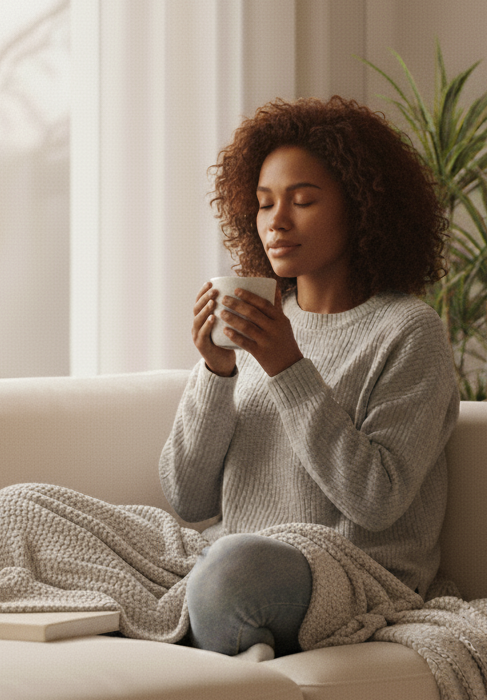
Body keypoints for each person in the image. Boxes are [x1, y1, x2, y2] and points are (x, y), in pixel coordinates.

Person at [159, 95, 459, 661]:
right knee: (24, 508)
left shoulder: (408, 332)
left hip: (349, 576)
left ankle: (213, 631)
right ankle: (222, 631)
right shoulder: (262, 318)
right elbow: (187, 498)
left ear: (362, 208)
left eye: (302, 201)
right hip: (234, 554)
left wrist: (286, 368)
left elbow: (376, 499)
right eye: (265, 202)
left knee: (230, 574)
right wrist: (216, 370)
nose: (277, 221)